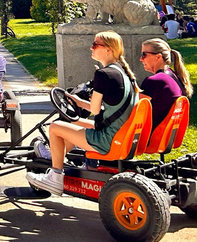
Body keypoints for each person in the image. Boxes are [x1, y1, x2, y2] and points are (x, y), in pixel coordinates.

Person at [27, 31, 139, 195]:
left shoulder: (103, 74)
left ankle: (55, 177)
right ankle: (53, 155)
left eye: (96, 44)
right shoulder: (122, 73)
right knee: (72, 123)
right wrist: (79, 103)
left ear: (109, 50)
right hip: (119, 133)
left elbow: (95, 109)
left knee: (55, 127)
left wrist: (89, 99)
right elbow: (106, 107)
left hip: (107, 139)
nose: (91, 47)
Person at [139, 38, 193, 130]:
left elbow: (135, 111)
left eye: (144, 55)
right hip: (166, 138)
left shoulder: (155, 81)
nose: (140, 59)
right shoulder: (174, 77)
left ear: (158, 57)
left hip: (148, 138)